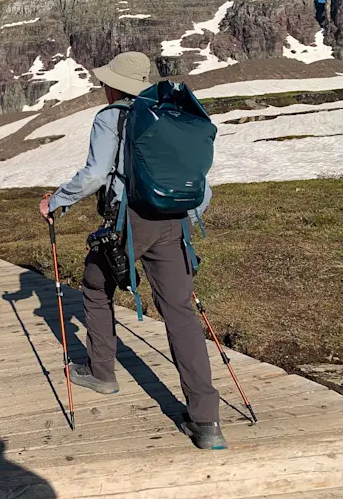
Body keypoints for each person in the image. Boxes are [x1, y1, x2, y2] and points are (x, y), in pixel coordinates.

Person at [38, 52, 225, 450]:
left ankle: (102, 372)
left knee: (94, 283)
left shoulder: (112, 117)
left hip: (130, 218)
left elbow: (95, 174)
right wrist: (184, 218)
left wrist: (55, 202)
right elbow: (200, 184)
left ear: (115, 86)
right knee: (180, 312)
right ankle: (206, 421)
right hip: (175, 221)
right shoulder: (171, 115)